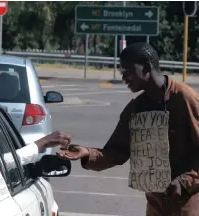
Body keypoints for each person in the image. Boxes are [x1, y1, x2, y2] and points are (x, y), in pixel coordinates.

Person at [57, 42, 199, 216]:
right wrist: (87, 153)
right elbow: (116, 151)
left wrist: (185, 182)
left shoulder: (184, 99)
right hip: (156, 203)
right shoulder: (135, 108)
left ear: (146, 68)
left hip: (188, 202)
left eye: (127, 72)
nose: (123, 77)